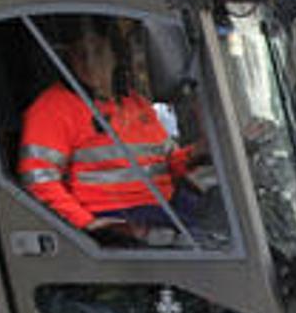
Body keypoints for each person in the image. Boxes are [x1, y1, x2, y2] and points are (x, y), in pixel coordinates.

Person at [17, 17, 197, 240]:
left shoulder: (135, 102)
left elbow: (169, 163)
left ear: (116, 56)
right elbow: (39, 181)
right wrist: (89, 224)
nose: (89, 62)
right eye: (79, 54)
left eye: (98, 52)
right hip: (116, 222)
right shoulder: (52, 108)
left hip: (163, 210)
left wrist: (198, 153)